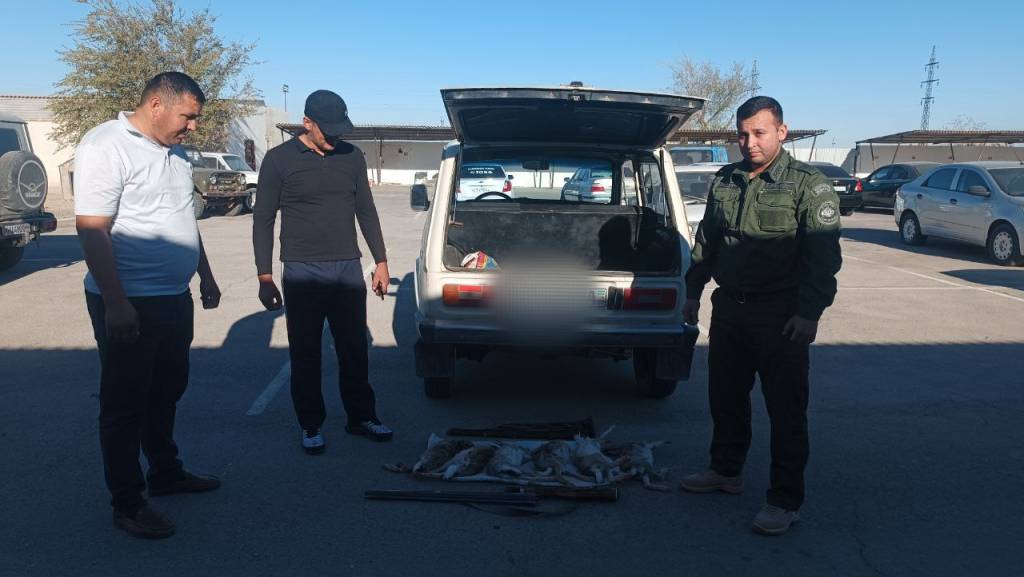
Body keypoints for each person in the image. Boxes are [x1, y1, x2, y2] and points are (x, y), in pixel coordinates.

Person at [679, 96, 842, 536]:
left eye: (759, 132)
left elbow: (822, 257)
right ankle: (725, 471)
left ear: (781, 132)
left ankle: (784, 499)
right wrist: (693, 291)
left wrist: (809, 313)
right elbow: (707, 242)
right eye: (743, 134)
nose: (749, 142)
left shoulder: (808, 185)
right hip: (730, 310)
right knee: (725, 398)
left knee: (786, 411)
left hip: (780, 316)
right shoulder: (726, 180)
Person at [75, 72, 222, 539]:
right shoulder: (105, 145)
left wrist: (204, 273)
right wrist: (116, 303)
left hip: (174, 297)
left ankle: (166, 472)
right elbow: (92, 229)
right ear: (157, 104)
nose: (193, 127)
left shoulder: (175, 153)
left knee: (167, 390)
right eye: (188, 117)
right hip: (130, 300)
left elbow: (183, 219)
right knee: (125, 405)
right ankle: (128, 503)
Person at [253, 90, 393, 454]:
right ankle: (311, 424)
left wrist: (380, 261)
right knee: (306, 353)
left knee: (354, 349)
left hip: (347, 266)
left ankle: (361, 417)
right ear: (307, 123)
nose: (334, 137)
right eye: (327, 130)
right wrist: (264, 275)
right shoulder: (279, 160)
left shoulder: (352, 156)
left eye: (339, 130)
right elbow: (263, 219)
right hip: (302, 270)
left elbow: (366, 211)